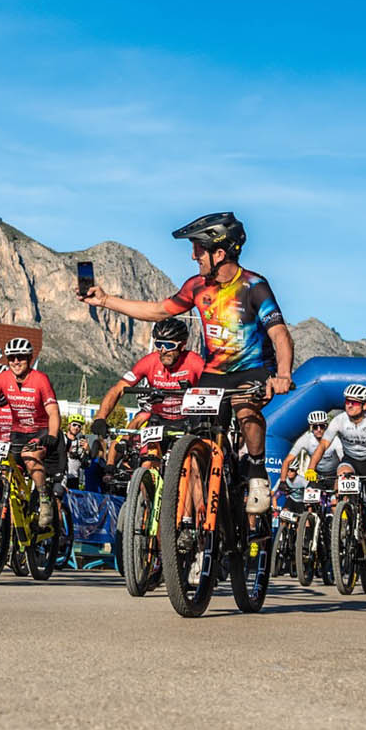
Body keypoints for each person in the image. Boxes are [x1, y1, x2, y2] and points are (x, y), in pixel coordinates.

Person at [82, 212, 293, 517]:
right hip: (215, 372)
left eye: (198, 249)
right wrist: (105, 300)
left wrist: (283, 374)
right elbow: (158, 311)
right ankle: (191, 517)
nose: (193, 256)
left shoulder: (254, 285)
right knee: (194, 440)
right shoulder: (196, 286)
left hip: (254, 369)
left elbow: (280, 334)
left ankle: (257, 472)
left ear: (219, 253)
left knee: (245, 410)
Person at [306, 384, 366, 577]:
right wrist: (311, 468)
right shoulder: (339, 420)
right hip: (351, 461)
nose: (349, 405)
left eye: (354, 402)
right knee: (342, 474)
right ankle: (344, 518)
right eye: (347, 401)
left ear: (365, 405)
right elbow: (323, 445)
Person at [0, 337, 60, 526]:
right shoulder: (3, 378)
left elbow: (53, 411)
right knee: (3, 466)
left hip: (41, 431)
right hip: (17, 433)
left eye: (21, 357)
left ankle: (44, 498)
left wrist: (52, 435)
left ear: (30, 358)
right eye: (11, 358)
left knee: (29, 456)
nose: (16, 361)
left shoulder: (40, 379)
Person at [94, 317, 206, 472]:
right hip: (159, 420)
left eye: (169, 345)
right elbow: (118, 389)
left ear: (182, 345)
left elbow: (213, 389)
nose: (163, 350)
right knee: (147, 465)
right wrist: (100, 417)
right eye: (159, 344)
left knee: (193, 468)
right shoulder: (149, 362)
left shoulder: (194, 362)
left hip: (187, 420)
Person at [274, 410, 341, 513]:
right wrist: (283, 481)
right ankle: (312, 521)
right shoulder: (306, 439)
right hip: (316, 475)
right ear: (311, 427)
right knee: (310, 504)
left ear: (326, 426)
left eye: (322, 426)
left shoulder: (334, 439)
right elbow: (287, 461)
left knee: (335, 504)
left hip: (334, 475)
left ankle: (341, 521)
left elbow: (342, 457)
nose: (319, 430)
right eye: (315, 427)